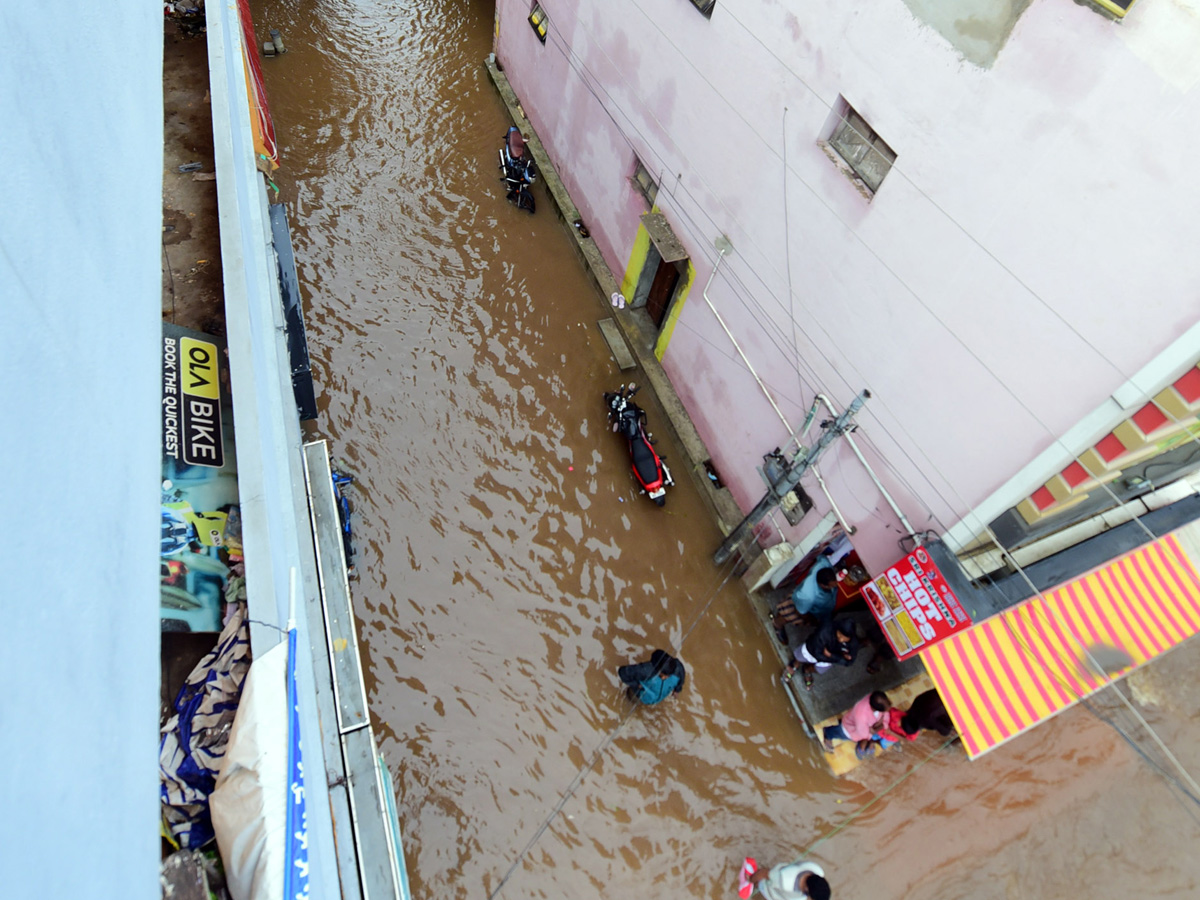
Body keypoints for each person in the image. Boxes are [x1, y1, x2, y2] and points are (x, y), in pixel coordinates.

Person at [783, 617, 859, 690]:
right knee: (801, 657)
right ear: (837, 629)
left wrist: (831, 655)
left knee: (819, 670)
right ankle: (794, 665)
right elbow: (817, 653)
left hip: (829, 659)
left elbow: (849, 662)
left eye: (844, 639)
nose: (841, 639)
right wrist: (839, 657)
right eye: (839, 635)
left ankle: (807, 669)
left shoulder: (853, 644)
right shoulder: (825, 630)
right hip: (812, 650)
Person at [771, 557, 839, 632]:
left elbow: (821, 557)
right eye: (831, 586)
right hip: (802, 607)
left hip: (806, 600)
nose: (835, 586)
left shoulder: (823, 564)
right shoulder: (808, 596)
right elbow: (799, 612)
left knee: (786, 609)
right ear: (822, 585)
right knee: (789, 614)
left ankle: (780, 614)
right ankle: (777, 624)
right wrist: (810, 620)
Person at [822, 691, 890, 759]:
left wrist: (875, 728)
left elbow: (886, 715)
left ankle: (838, 726)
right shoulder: (861, 714)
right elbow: (863, 734)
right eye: (884, 710)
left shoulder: (875, 699)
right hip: (849, 730)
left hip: (860, 727)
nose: (887, 710)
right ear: (876, 709)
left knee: (866, 736)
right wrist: (879, 725)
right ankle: (827, 733)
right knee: (839, 733)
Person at [617, 649, 685, 705]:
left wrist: (677, 690)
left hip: (656, 699)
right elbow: (622, 672)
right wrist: (636, 685)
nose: (664, 678)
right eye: (662, 675)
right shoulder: (645, 670)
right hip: (639, 696)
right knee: (629, 703)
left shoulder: (678, 669)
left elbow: (681, 679)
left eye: (668, 675)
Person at [748, 859, 831, 900]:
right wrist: (750, 880)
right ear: (806, 889)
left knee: (773, 874)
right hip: (772, 891)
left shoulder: (817, 870)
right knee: (761, 883)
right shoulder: (784, 881)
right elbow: (764, 873)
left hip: (783, 872)